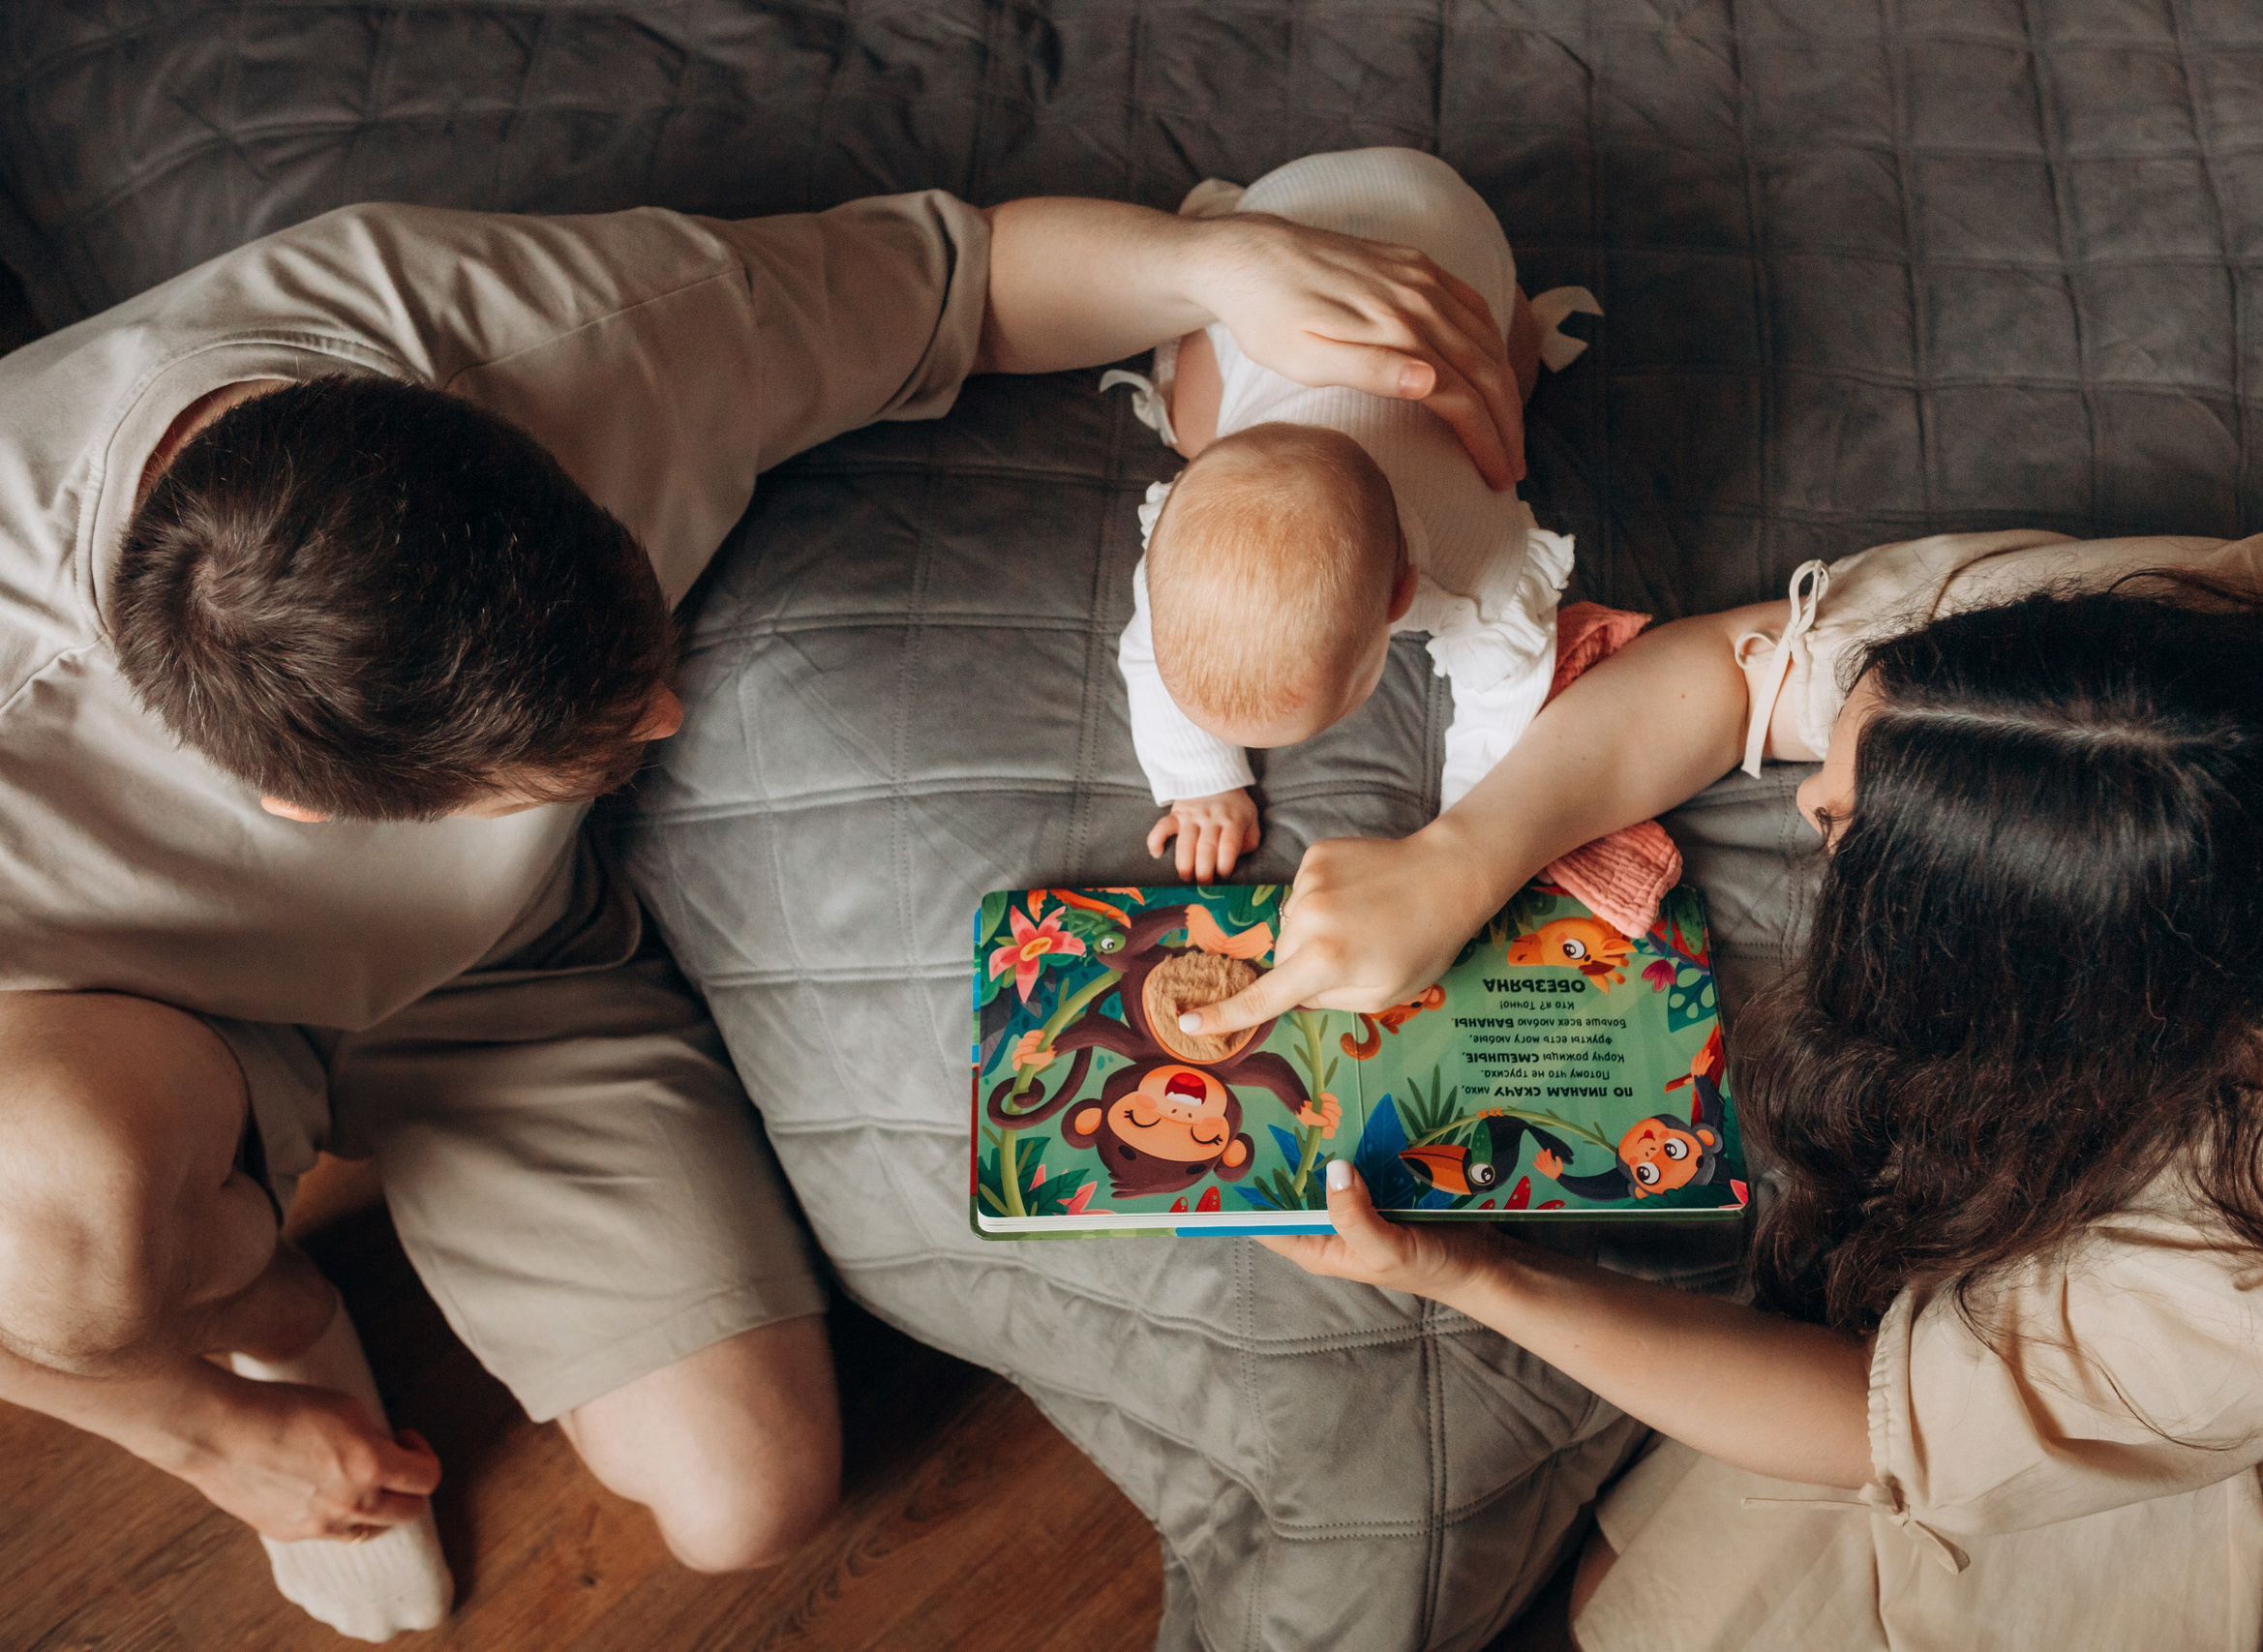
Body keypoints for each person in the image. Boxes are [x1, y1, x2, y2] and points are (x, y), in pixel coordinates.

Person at [0, 186, 1526, 1639]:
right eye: (603, 739)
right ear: (307, 807)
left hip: (500, 963)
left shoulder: (558, 328)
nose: (670, 704)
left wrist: (1220, 267)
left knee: (746, 1499)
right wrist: (204, 1427)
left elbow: (964, 281)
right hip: (119, 1029)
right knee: (59, 1224)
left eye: (640, 651)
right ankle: (239, 1287)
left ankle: (217, 1237)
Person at [1190, 544, 2263, 1647]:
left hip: (2187, 1448)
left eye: (1846, 829)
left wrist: (1464, 1273)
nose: (1807, 791)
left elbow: (1874, 1421)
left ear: (2029, 971)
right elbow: (1732, 666)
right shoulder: (2147, 652)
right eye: (1843, 755)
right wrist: (1454, 860)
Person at [1104, 147, 1602, 880]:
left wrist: (1468, 836)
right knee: (1193, 423)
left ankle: (1515, 309)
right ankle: (1220, 225)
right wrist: (1201, 778)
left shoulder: (1478, 557)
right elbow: (1153, 653)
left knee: (1510, 371)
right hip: (1288, 228)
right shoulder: (1179, 556)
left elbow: (1506, 688)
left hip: (1451, 236)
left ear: (1405, 594)